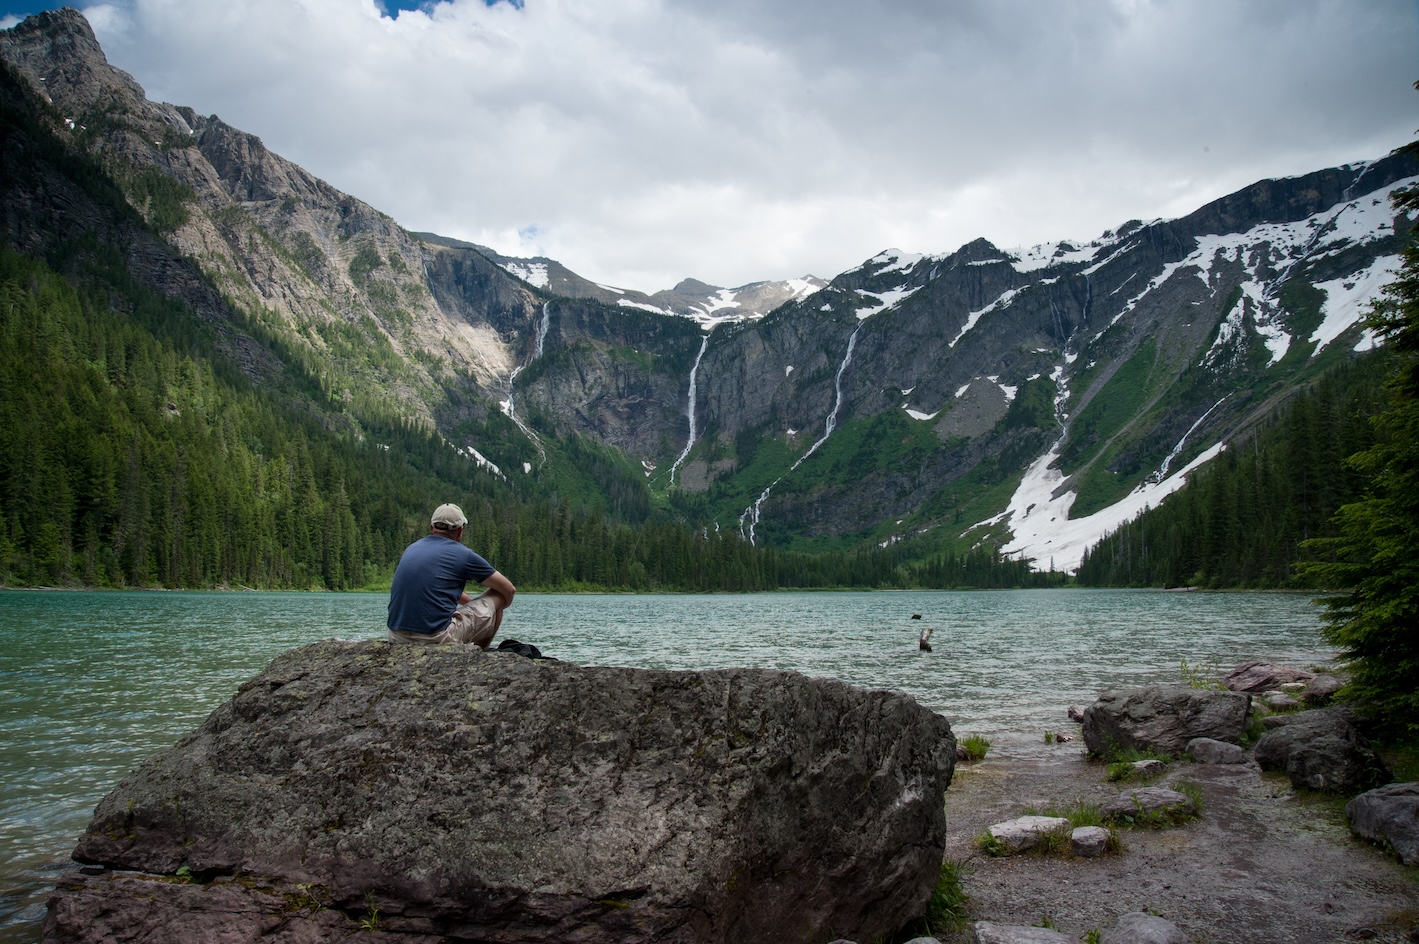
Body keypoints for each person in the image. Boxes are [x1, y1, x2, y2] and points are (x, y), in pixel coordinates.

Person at [386, 503, 516, 647]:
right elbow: (508, 589)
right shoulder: (463, 554)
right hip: (435, 638)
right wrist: (498, 607)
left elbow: (434, 588)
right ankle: (480, 654)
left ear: (431, 527)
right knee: (498, 593)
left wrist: (471, 604)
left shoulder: (412, 548)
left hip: (396, 636)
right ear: (460, 530)